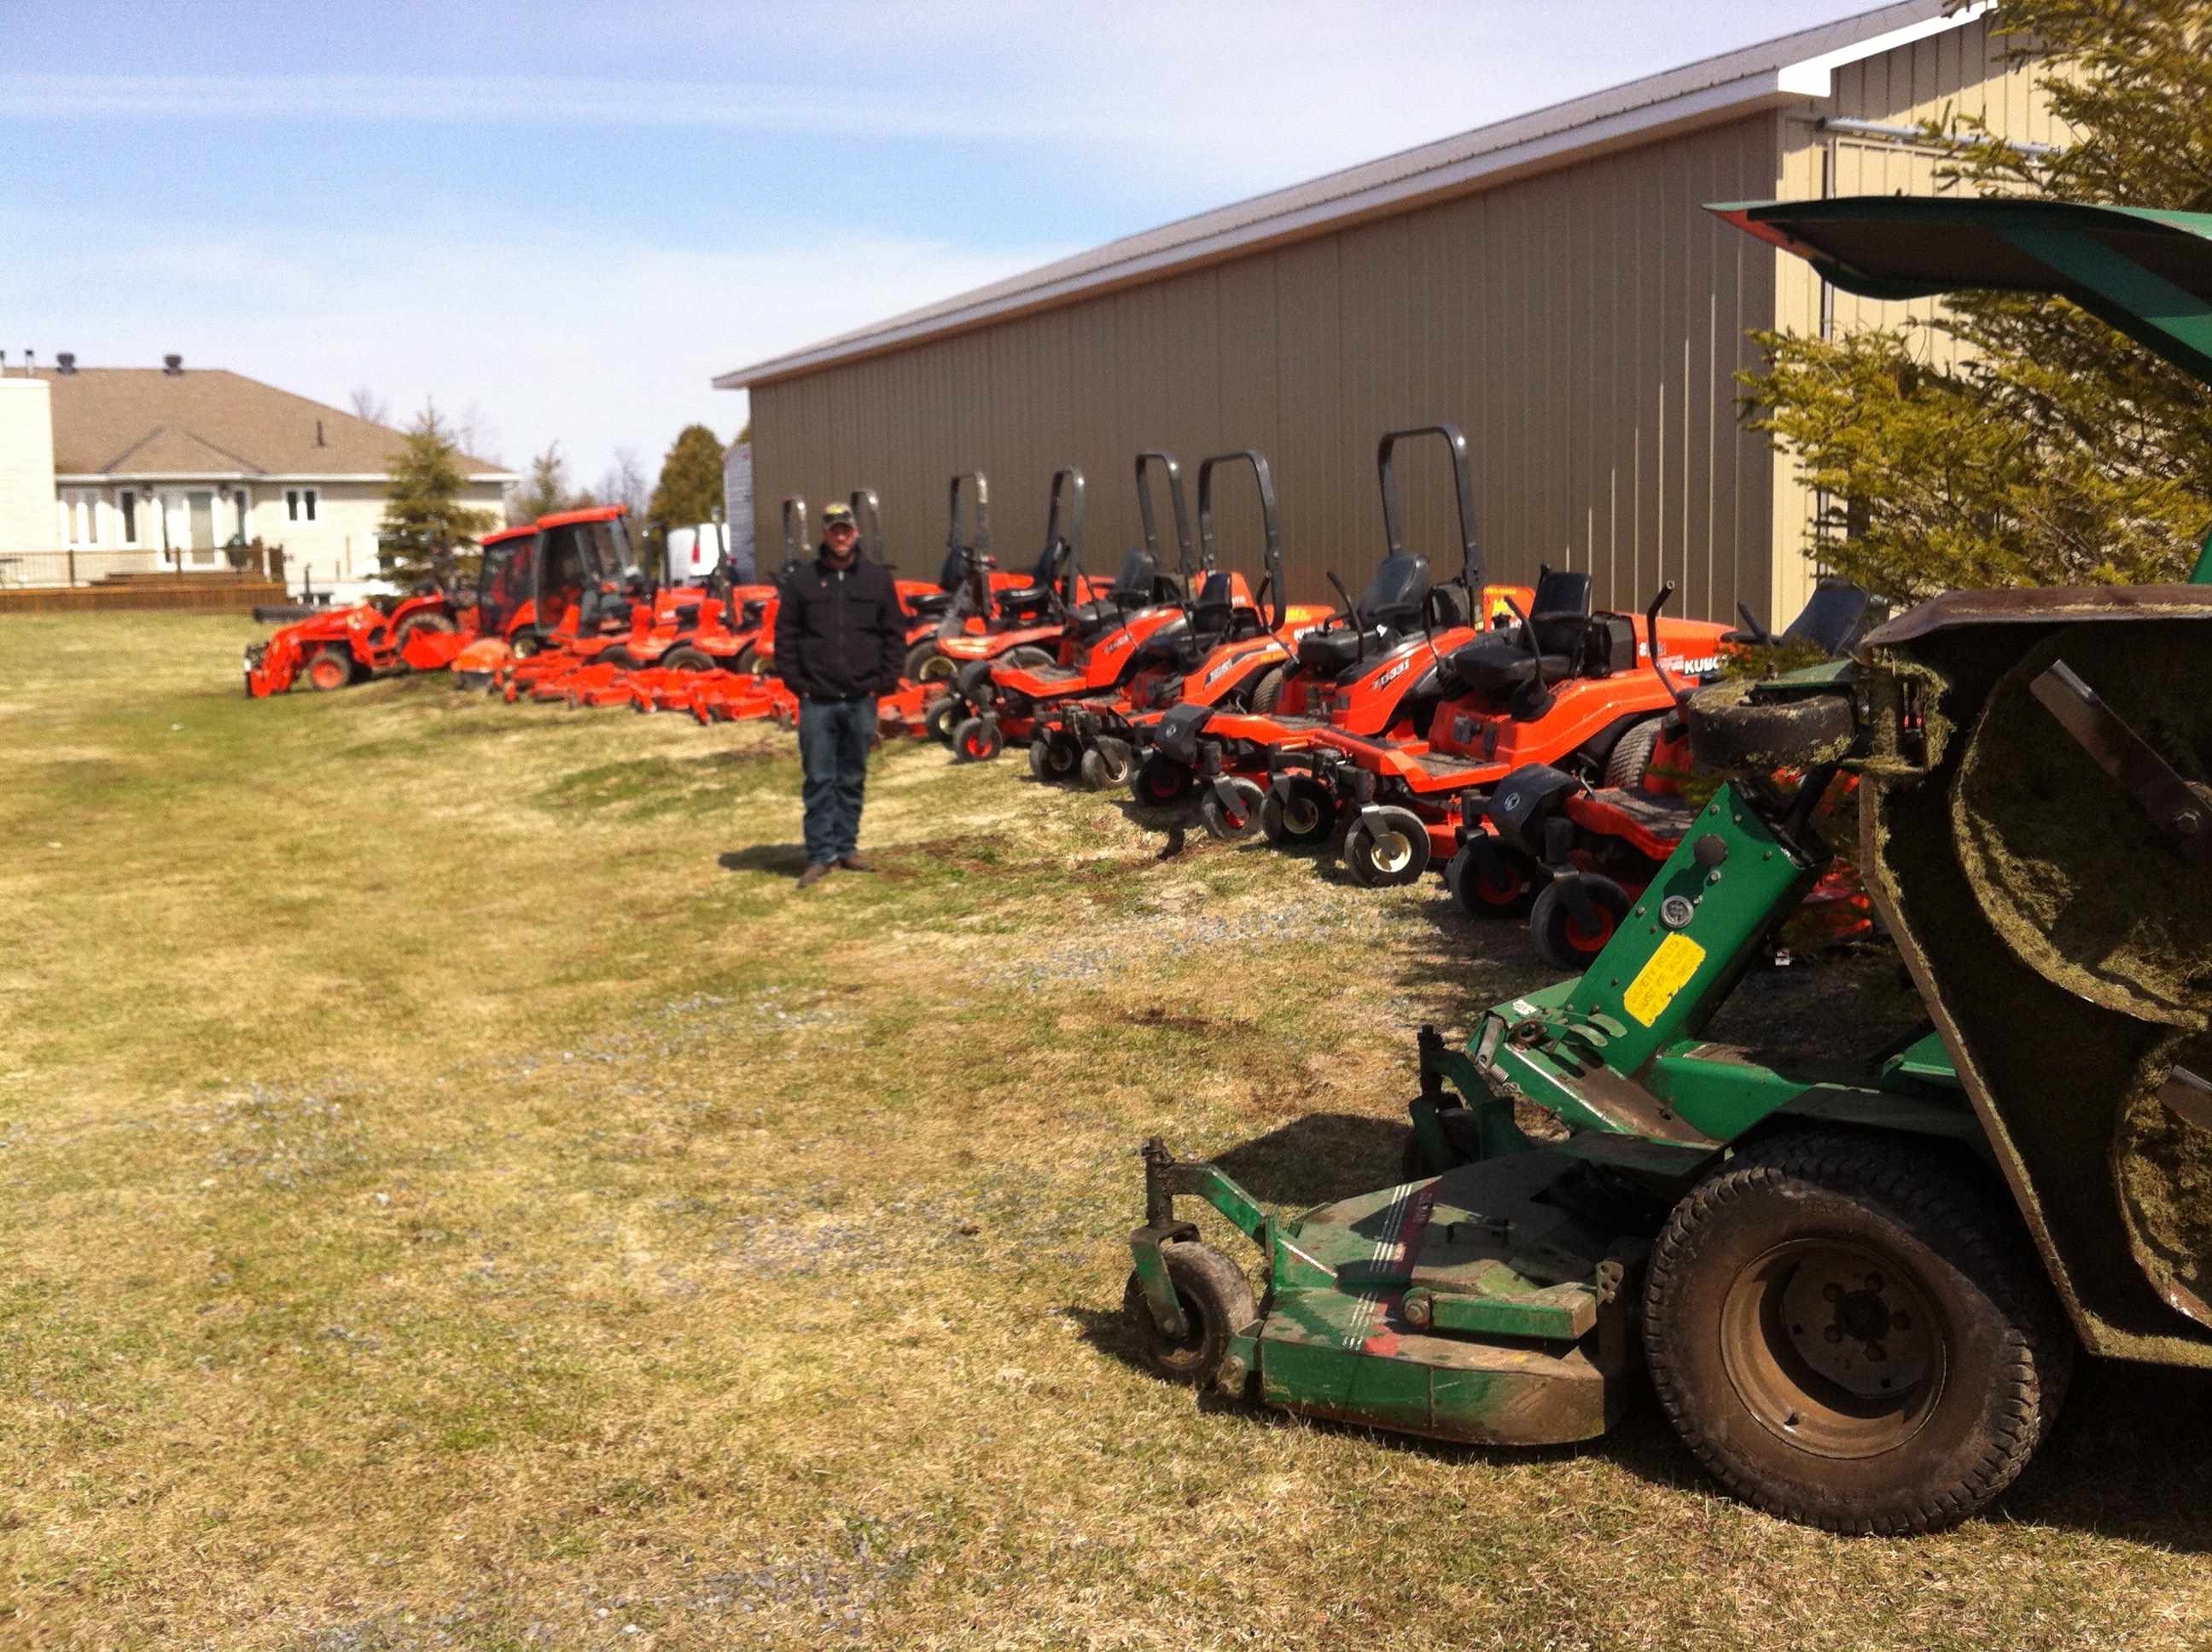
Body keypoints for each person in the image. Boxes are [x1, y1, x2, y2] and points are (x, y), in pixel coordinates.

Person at [772, 502, 907, 887]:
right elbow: (786, 637)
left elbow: (893, 634)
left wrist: (885, 679)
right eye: (834, 529)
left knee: (851, 777)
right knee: (818, 779)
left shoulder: (877, 580)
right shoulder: (802, 581)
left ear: (856, 532)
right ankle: (819, 855)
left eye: (846, 528)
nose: (841, 535)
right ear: (824, 533)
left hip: (861, 698)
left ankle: (847, 848)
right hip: (817, 701)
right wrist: (798, 682)